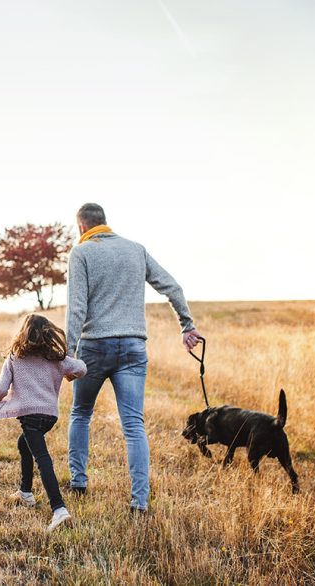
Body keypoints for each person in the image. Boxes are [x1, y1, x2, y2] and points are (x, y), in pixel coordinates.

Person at [65, 203, 202, 513]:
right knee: (133, 425)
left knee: (81, 413)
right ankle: (139, 501)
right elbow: (173, 287)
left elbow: (76, 308)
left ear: (82, 227)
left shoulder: (81, 253)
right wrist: (187, 325)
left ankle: (78, 482)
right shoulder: (136, 250)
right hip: (132, 348)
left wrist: (68, 353)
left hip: (94, 347)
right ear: (105, 222)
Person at [0, 314, 87, 532]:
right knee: (23, 444)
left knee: (42, 458)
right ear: (48, 334)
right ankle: (25, 492)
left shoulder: (15, 357)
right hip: (49, 416)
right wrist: (68, 372)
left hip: (30, 416)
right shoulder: (55, 358)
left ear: (23, 334)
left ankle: (59, 509)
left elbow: (0, 389)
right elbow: (81, 368)